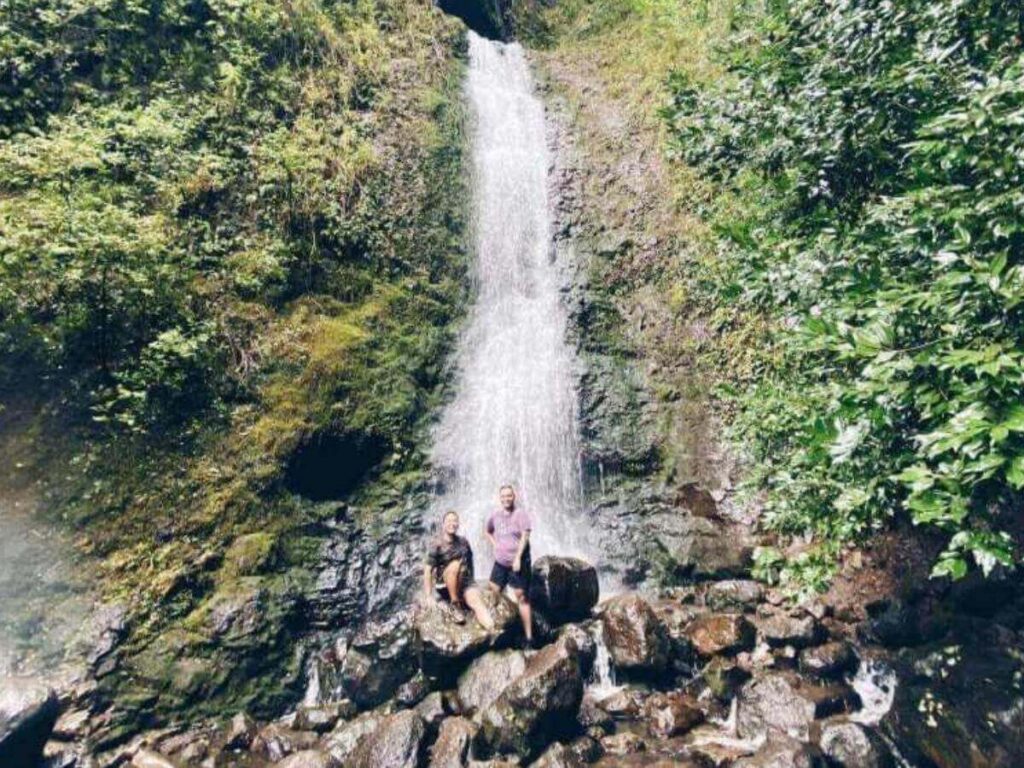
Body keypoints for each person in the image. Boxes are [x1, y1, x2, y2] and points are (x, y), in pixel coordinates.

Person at [422, 510, 495, 630]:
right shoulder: (437, 544)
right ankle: (455, 603)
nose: (452, 523)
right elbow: (427, 570)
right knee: (456, 565)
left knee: (477, 603)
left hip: (464, 583)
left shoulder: (464, 542)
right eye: (449, 521)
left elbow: (470, 561)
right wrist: (428, 596)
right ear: (443, 524)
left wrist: (472, 582)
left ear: (458, 524)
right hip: (444, 584)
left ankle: (492, 629)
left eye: (455, 521)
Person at [485, 484, 534, 647]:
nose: (506, 499)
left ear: (514, 497)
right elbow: (487, 531)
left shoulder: (520, 514)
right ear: (500, 498)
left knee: (521, 596)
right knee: (493, 589)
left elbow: (525, 536)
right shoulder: (495, 515)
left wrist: (518, 558)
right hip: (500, 561)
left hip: (517, 562)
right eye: (503, 496)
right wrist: (495, 545)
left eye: (509, 496)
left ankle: (528, 637)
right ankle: (495, 629)